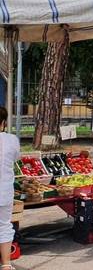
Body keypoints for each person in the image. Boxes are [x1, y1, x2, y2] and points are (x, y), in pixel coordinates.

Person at [0, 107, 19, 270]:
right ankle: (6, 264)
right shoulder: (12, 140)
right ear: (3, 123)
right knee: (4, 225)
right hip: (4, 191)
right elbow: (15, 158)